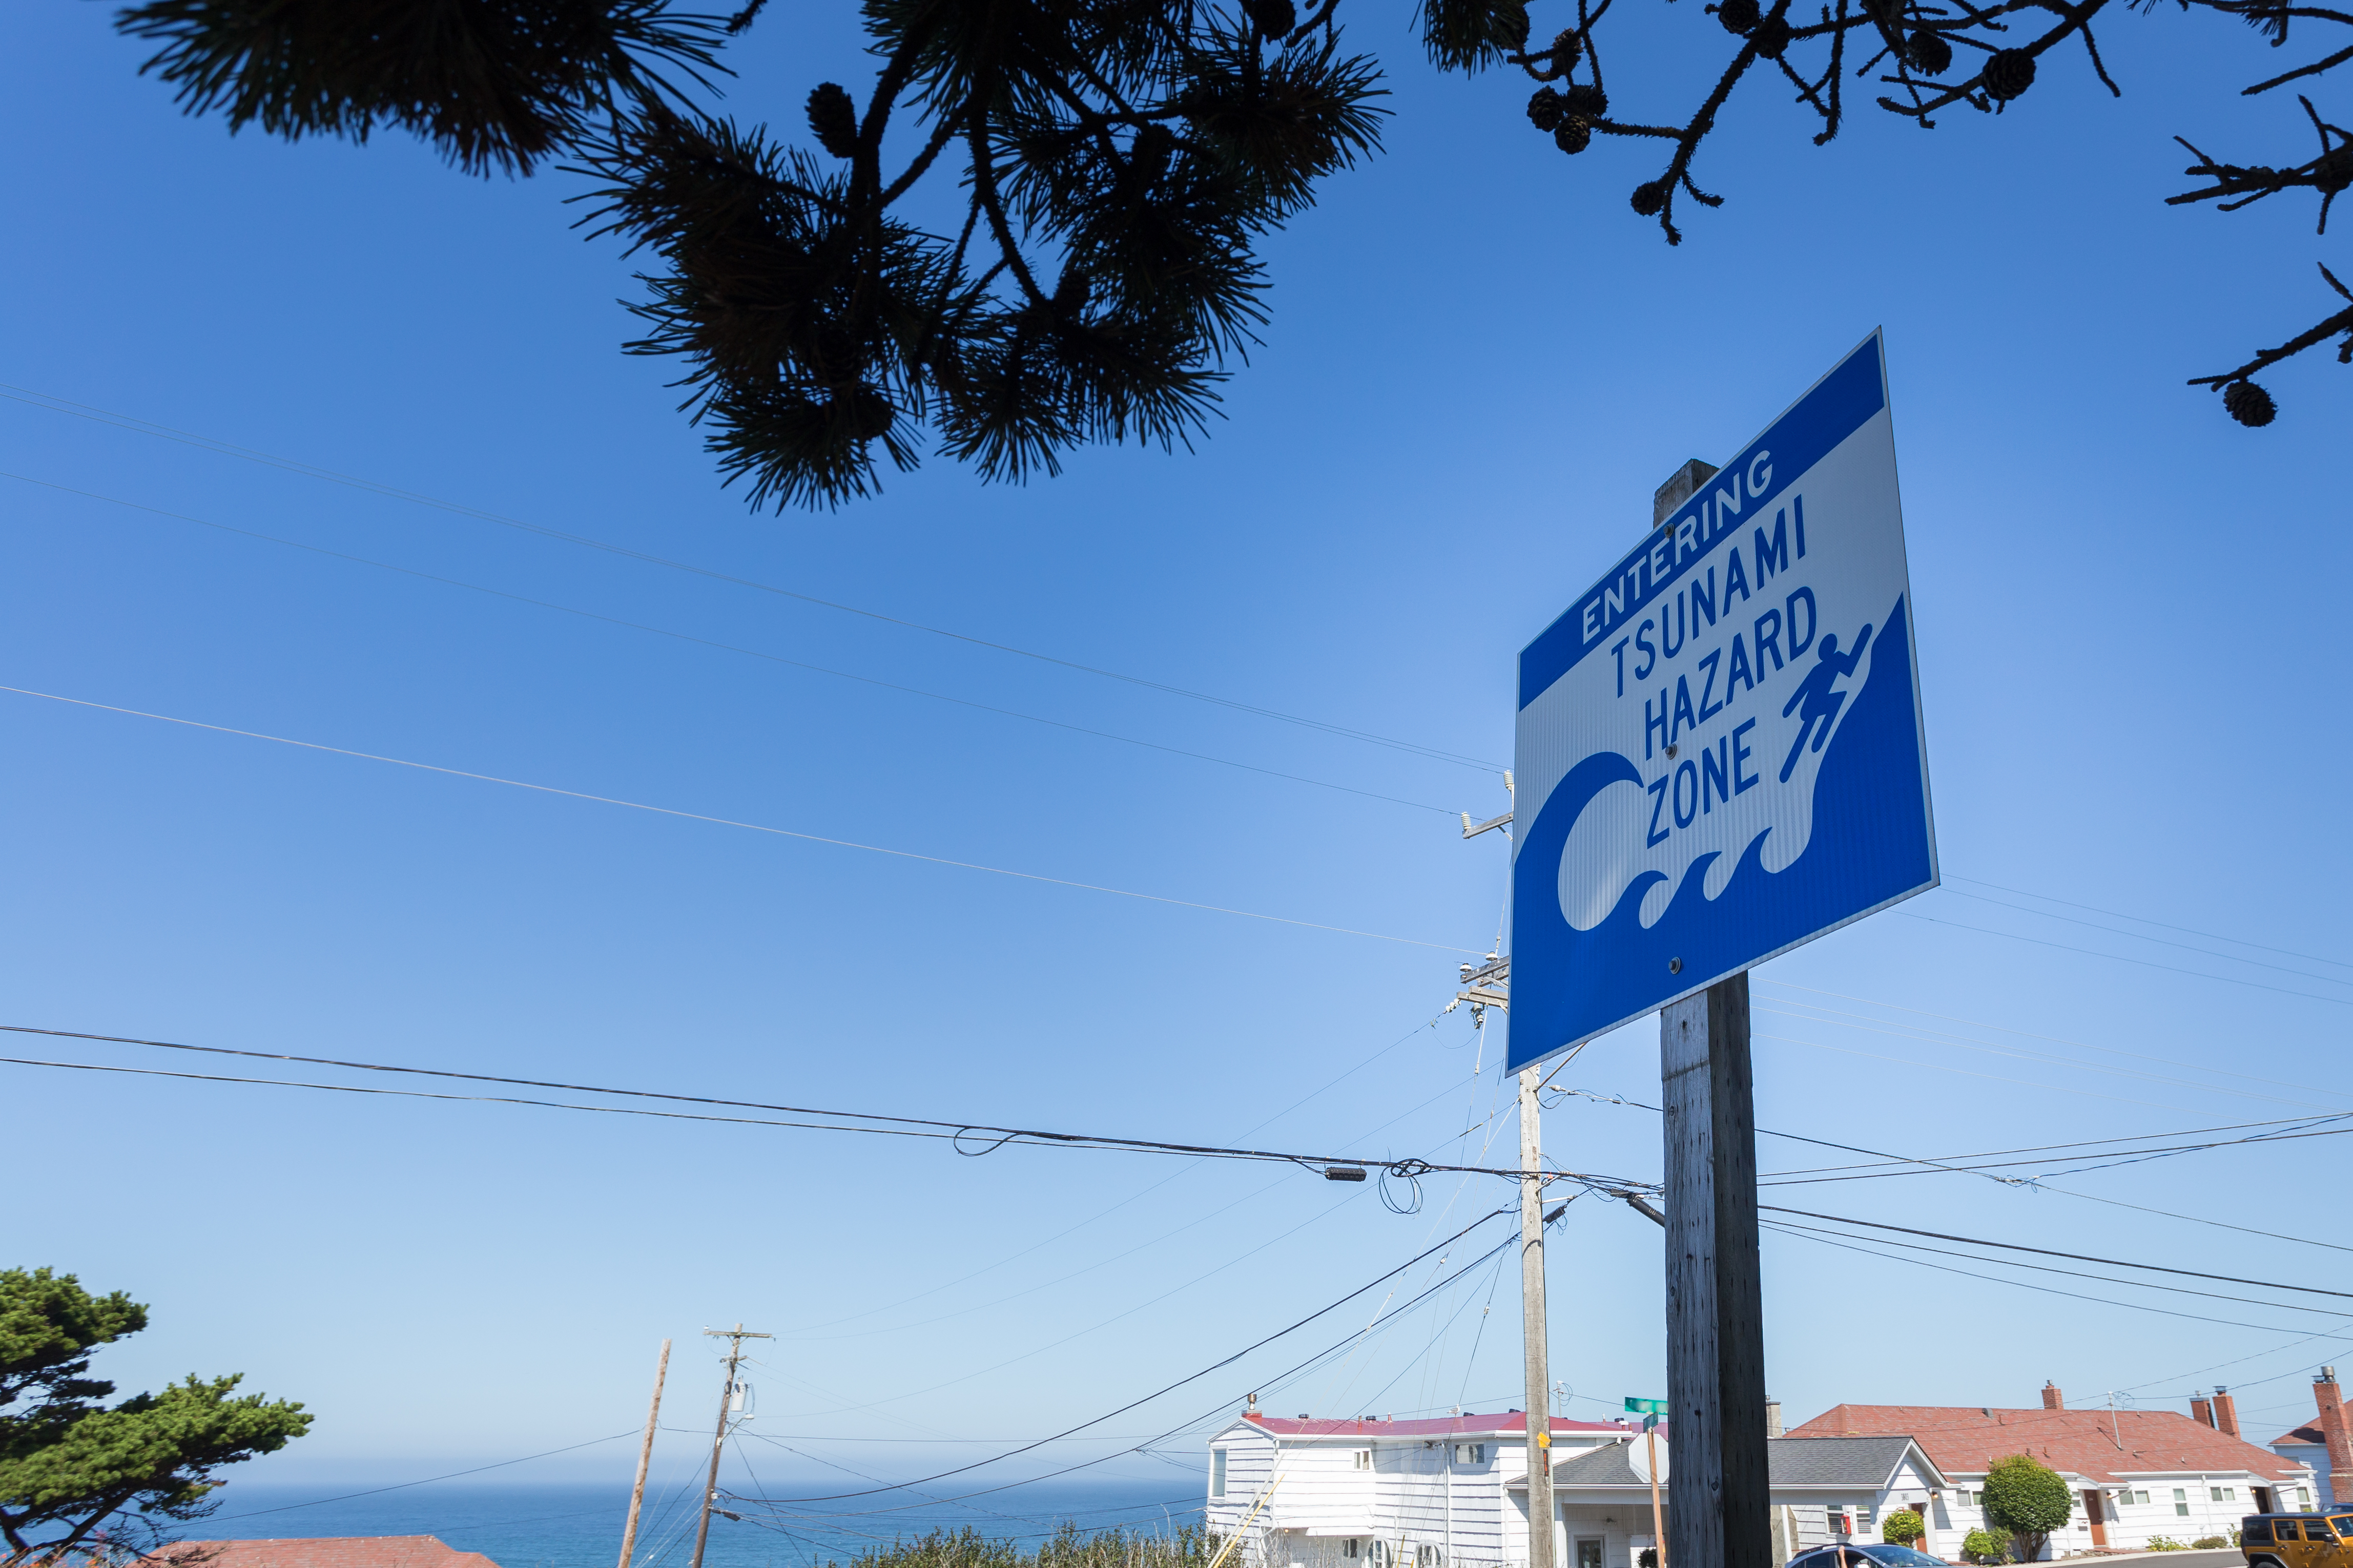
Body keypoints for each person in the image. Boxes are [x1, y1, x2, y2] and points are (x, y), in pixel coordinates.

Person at [1778, 621, 1873, 783]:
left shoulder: (1835, 660)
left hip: (1813, 707)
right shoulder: (1819, 668)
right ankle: (1819, 739)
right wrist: (1788, 709)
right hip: (1810, 708)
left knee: (1806, 731)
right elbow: (1802, 690)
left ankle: (1819, 740)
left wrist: (1863, 637)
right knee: (1835, 703)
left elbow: (1850, 667)